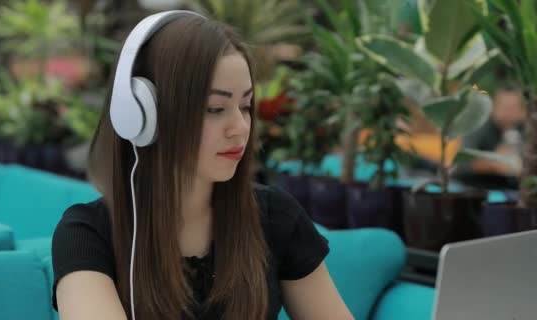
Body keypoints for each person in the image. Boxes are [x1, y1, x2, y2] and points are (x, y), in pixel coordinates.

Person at [51, 11, 353, 320]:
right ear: (144, 115)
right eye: (215, 108)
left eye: (246, 106)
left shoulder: (275, 217)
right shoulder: (87, 234)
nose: (240, 127)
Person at [453, 88, 525, 188]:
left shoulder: (525, 129)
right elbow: (462, 165)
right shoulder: (479, 126)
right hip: (474, 184)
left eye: (514, 108)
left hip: (510, 186)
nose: (509, 113)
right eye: (505, 107)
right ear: (494, 107)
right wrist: (493, 164)